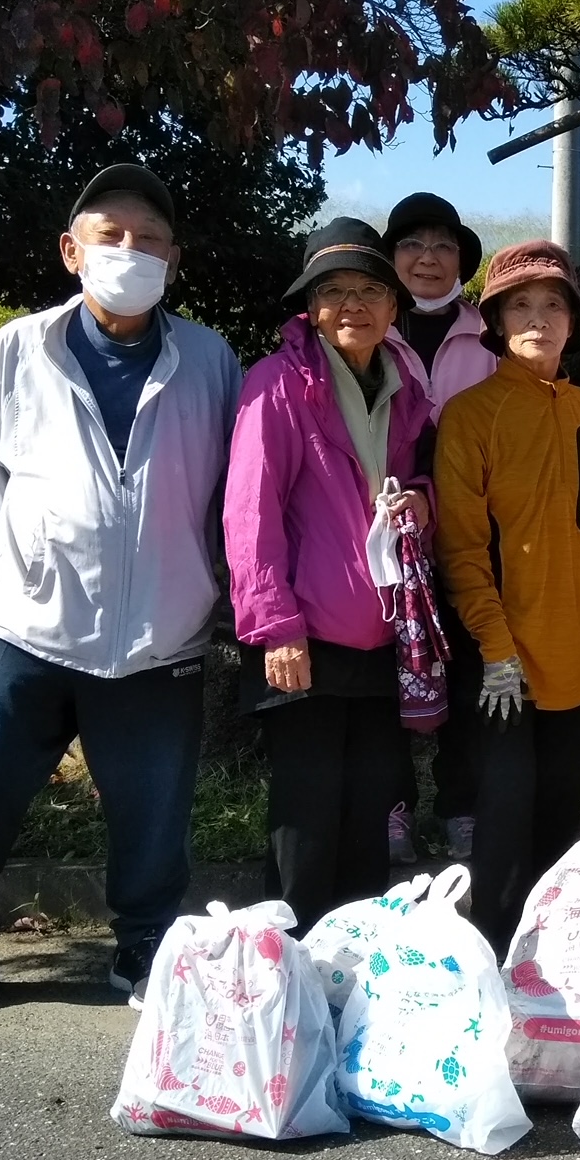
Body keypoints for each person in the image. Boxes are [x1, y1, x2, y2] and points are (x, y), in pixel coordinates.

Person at [0, 165, 242, 1026]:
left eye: (149, 240)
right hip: (30, 628)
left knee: (153, 810)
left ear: (175, 260)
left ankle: (144, 943)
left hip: (162, 633)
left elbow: (230, 489)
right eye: (110, 236)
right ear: (70, 251)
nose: (130, 252)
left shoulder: (208, 358)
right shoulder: (23, 346)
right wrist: (37, 564)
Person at [224, 218, 434, 935]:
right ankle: (291, 967)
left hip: (384, 637)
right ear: (309, 307)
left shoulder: (406, 390)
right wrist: (274, 626)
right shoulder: (278, 384)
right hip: (303, 636)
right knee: (306, 817)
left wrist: (423, 503)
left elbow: (422, 483)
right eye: (335, 290)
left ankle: (354, 963)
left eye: (371, 289)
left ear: (394, 306)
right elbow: (250, 511)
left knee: (370, 806)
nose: (354, 304)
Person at [434, 241, 580, 947]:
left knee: (559, 816)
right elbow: (459, 545)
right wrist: (493, 646)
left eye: (553, 304)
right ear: (494, 320)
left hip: (575, 658)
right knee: (505, 823)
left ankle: (554, 961)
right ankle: (491, 957)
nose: (538, 318)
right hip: (502, 668)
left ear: (574, 320)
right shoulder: (471, 415)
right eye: (520, 304)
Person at [383, 190, 496, 863]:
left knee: (468, 674)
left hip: (468, 539)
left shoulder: (487, 337)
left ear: (461, 261)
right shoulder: (367, 327)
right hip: (383, 547)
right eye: (412, 244)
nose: (427, 258)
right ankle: (392, 807)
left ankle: (462, 806)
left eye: (443, 245)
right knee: (382, 683)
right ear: (389, 257)